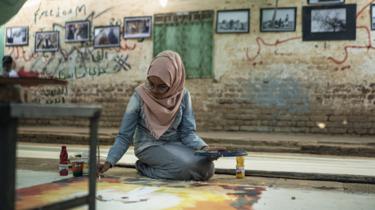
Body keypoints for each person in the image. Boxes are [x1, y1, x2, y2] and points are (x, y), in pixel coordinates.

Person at [98, 50, 215, 181]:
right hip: (148, 146)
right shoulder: (139, 96)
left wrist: (204, 148)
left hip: (175, 145)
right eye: (151, 84)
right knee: (184, 168)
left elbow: (187, 133)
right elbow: (124, 136)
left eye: (162, 86)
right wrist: (109, 161)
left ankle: (161, 167)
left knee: (207, 168)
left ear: (174, 81)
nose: (154, 91)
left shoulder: (183, 96)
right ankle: (144, 168)